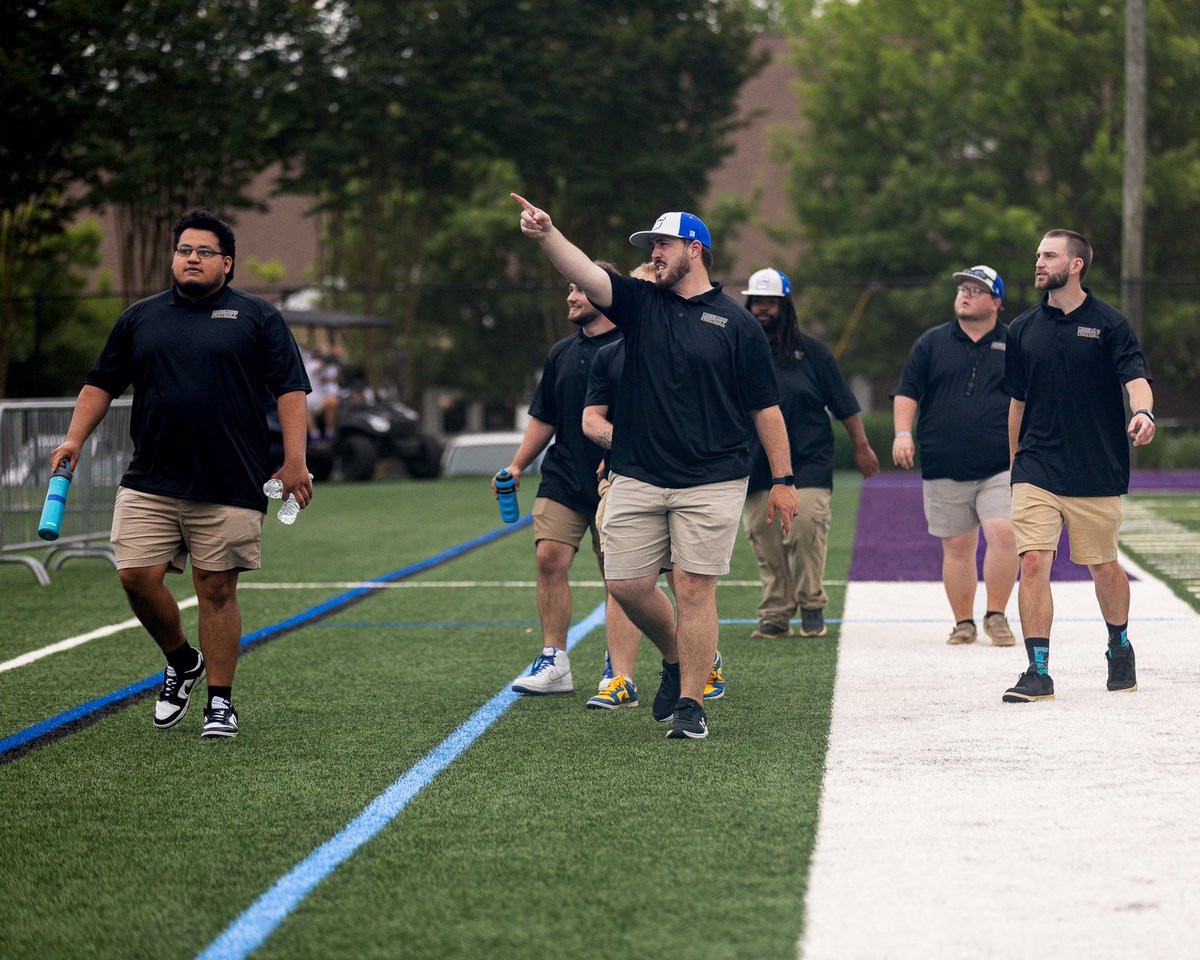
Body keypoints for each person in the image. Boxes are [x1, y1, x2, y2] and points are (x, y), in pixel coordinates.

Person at [513, 194, 799, 741]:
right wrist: (547, 233)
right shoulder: (640, 303)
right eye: (651, 246)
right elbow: (586, 273)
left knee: (693, 586)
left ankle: (691, 703)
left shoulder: (738, 324)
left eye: (662, 244)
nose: (655, 253)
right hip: (637, 473)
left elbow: (767, 409)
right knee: (625, 583)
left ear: (696, 249)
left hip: (714, 477)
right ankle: (675, 657)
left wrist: (783, 480)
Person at [48, 209, 312, 739]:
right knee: (134, 576)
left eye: (204, 251)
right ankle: (181, 659)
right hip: (151, 477)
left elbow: (290, 389)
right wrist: (74, 437)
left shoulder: (257, 318)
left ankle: (220, 701)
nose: (191, 258)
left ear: (227, 263)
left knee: (215, 589)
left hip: (231, 479)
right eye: (184, 250)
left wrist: (294, 460)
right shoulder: (140, 317)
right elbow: (101, 383)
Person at [1001, 230, 1154, 702]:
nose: (1039, 262)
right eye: (1037, 255)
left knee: (1104, 566)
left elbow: (1137, 379)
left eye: (1049, 255)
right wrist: (1015, 468)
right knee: (1032, 563)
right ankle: (1038, 670)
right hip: (1037, 469)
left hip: (1095, 468)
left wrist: (1143, 413)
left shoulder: (1110, 324)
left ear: (1076, 265)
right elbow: (1016, 405)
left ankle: (1119, 644)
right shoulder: (1022, 330)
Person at [582, 262, 726, 707]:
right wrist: (624, 443)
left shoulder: (699, 341)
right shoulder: (610, 354)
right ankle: (625, 674)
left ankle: (697, 669)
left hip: (694, 480)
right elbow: (591, 419)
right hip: (628, 478)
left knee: (690, 584)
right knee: (622, 579)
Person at [499, 266, 643, 704]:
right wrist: (518, 464)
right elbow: (545, 415)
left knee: (617, 576)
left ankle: (615, 666)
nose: (572, 297)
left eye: (579, 289)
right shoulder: (562, 352)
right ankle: (553, 660)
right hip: (562, 472)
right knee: (549, 557)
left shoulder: (634, 347)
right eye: (570, 288)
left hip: (616, 476)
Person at [741, 268, 879, 640]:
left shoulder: (813, 352)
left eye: (770, 302)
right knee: (765, 539)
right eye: (757, 302)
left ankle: (811, 602)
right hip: (755, 465)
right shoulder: (736, 351)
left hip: (809, 463)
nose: (762, 309)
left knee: (804, 531)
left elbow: (845, 405)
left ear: (785, 306)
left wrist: (863, 447)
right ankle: (776, 612)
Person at [892, 264, 1020, 647]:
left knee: (1004, 531)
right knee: (958, 546)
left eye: (976, 290)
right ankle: (963, 622)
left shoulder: (1015, 342)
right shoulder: (931, 342)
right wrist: (902, 433)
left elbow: (1031, 398)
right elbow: (907, 392)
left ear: (995, 301)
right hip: (943, 461)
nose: (965, 294)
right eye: (962, 288)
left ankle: (996, 615)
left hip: (1001, 462)